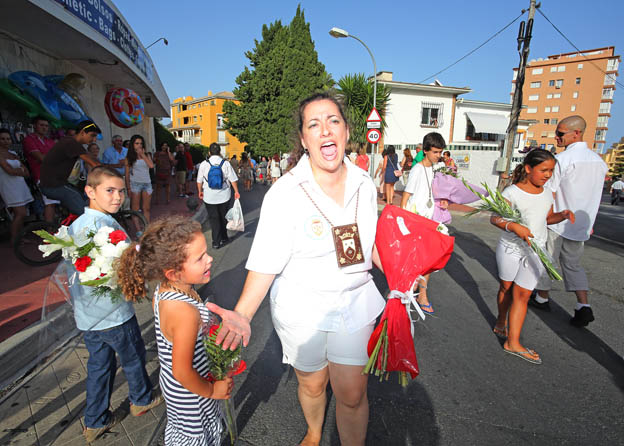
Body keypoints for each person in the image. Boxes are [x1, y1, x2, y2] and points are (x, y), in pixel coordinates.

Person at [208, 92, 386, 446]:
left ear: (346, 131)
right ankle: (315, 431)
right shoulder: (286, 192)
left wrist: (403, 275)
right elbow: (266, 261)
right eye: (314, 125)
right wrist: (243, 313)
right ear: (304, 139)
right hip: (301, 309)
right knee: (312, 383)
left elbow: (372, 241)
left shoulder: (365, 184)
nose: (325, 131)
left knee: (352, 392)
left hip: (355, 303)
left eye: (333, 121)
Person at [116, 216, 233, 445]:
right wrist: (211, 391)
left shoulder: (165, 289)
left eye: (206, 253)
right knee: (195, 435)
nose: (210, 259)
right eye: (200, 258)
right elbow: (182, 370)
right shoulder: (184, 311)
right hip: (192, 392)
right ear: (172, 272)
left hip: (178, 385)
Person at [67, 166, 163, 443]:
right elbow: (120, 266)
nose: (118, 197)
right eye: (109, 190)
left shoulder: (78, 224)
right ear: (90, 191)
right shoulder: (103, 227)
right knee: (133, 357)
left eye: (121, 191)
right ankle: (142, 398)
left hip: (88, 316)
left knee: (100, 365)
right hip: (113, 314)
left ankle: (95, 419)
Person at [491, 150, 575, 364]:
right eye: (543, 170)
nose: (548, 175)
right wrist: (513, 226)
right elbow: (495, 218)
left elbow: (546, 218)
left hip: (536, 251)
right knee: (506, 289)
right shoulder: (512, 192)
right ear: (528, 169)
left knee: (522, 295)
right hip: (510, 248)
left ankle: (513, 343)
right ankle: (502, 319)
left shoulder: (548, 193)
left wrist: (562, 215)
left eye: (551, 171)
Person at [531, 116, 608, 327]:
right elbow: (594, 196)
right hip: (581, 224)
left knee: (547, 259)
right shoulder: (599, 162)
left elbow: (550, 192)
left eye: (560, 133)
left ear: (576, 133)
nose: (557, 137)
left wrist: (540, 216)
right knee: (573, 265)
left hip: (557, 220)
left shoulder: (562, 160)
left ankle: (542, 297)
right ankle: (583, 305)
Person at [400, 132, 449, 315]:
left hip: (431, 221)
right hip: (416, 222)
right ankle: (405, 292)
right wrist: (403, 223)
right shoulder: (418, 169)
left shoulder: (434, 169)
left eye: (440, 152)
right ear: (426, 151)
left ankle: (421, 294)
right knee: (414, 262)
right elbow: (406, 196)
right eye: (435, 152)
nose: (438, 155)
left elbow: (432, 192)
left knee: (429, 262)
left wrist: (442, 201)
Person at [39, 120, 101, 216]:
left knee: (86, 200)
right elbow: (94, 164)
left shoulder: (73, 143)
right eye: (92, 135)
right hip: (53, 186)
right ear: (82, 132)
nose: (94, 140)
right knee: (85, 214)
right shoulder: (71, 143)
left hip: (59, 184)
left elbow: (93, 159)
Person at [196, 143, 240, 249]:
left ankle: (216, 242)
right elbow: (233, 179)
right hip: (224, 195)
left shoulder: (203, 164)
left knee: (213, 218)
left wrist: (200, 191)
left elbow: (199, 180)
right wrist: (236, 192)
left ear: (209, 152)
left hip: (209, 196)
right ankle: (224, 237)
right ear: (220, 152)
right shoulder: (225, 163)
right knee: (223, 217)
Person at [0, 128, 33, 244]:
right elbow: (9, 171)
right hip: (8, 186)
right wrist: (19, 170)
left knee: (21, 214)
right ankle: (14, 239)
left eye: (8, 138)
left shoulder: (13, 154)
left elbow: (27, 172)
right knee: (21, 213)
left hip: (20, 185)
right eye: (2, 139)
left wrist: (18, 170)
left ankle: (19, 236)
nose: (6, 141)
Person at [22, 116, 58, 222]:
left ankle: (52, 229)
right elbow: (41, 158)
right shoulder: (29, 139)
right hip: (40, 175)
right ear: (34, 126)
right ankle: (49, 233)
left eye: (46, 126)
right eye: (41, 125)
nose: (44, 128)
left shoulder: (50, 141)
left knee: (54, 204)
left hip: (54, 175)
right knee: (50, 203)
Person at [125, 134, 154, 223]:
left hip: (147, 184)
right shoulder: (129, 157)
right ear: (132, 145)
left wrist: (142, 155)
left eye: (141, 143)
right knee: (135, 210)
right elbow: (127, 174)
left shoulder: (147, 155)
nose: (139, 145)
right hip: (135, 184)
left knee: (147, 208)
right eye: (137, 143)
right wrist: (128, 188)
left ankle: (147, 228)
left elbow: (151, 166)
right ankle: (138, 230)